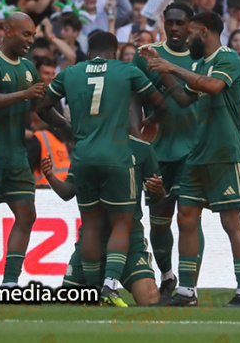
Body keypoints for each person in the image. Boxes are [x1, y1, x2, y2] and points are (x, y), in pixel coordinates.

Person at [39, 30, 166, 307]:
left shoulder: (70, 73)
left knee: (91, 224)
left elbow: (42, 106)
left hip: (84, 155)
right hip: (116, 155)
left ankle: (94, 289)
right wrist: (152, 121)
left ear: (87, 51)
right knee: (120, 223)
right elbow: (161, 103)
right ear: (116, 49)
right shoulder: (127, 71)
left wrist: (66, 127)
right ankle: (107, 286)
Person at [139, 12, 240, 308]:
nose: (187, 39)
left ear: (204, 30)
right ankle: (187, 291)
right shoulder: (201, 64)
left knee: (231, 222)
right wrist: (160, 66)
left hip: (224, 153)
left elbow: (212, 86)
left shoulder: (228, 58)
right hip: (197, 153)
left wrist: (172, 66)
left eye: (190, 33)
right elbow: (183, 98)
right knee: (186, 217)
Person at [0, 12, 51, 287]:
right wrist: (23, 94)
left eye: (33, 35)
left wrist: (68, 128)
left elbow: (40, 107)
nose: (31, 40)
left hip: (17, 156)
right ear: (8, 30)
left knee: (27, 215)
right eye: (26, 34)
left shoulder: (28, 67)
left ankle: (10, 282)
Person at [44, 128, 165, 307]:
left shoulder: (141, 149)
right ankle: (101, 289)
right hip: (92, 240)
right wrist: (50, 176)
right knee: (68, 305)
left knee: (150, 300)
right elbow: (68, 192)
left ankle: (108, 289)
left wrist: (158, 189)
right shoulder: (84, 150)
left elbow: (158, 196)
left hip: (130, 238)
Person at [129, 2, 197, 300]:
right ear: (163, 22)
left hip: (193, 150)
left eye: (180, 23)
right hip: (155, 151)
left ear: (190, 25)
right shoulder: (146, 55)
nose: (174, 28)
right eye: (170, 22)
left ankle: (189, 287)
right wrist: (135, 134)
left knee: (188, 217)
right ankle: (168, 276)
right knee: (159, 221)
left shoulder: (202, 56)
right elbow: (132, 95)